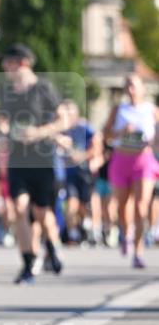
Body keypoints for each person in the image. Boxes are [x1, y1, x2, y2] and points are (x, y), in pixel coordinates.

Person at [0, 44, 65, 284]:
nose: (5, 68)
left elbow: (63, 119)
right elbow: (2, 121)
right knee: (19, 208)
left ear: (23, 63)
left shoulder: (43, 88)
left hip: (42, 159)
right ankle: (28, 262)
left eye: (9, 63)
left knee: (42, 212)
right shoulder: (8, 92)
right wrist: (3, 133)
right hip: (17, 159)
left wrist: (39, 132)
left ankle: (52, 247)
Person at [104, 74, 159, 268]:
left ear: (143, 88)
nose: (130, 89)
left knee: (141, 206)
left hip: (143, 160)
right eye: (127, 85)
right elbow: (106, 134)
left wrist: (154, 141)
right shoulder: (119, 109)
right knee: (122, 205)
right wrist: (121, 131)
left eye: (134, 85)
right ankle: (126, 233)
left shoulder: (152, 110)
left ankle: (138, 251)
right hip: (121, 159)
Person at [56, 99, 101, 245]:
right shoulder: (60, 129)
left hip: (84, 173)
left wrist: (83, 156)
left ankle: (91, 228)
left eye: (71, 113)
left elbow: (96, 145)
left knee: (86, 203)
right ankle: (73, 234)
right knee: (71, 203)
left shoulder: (84, 127)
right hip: (68, 174)